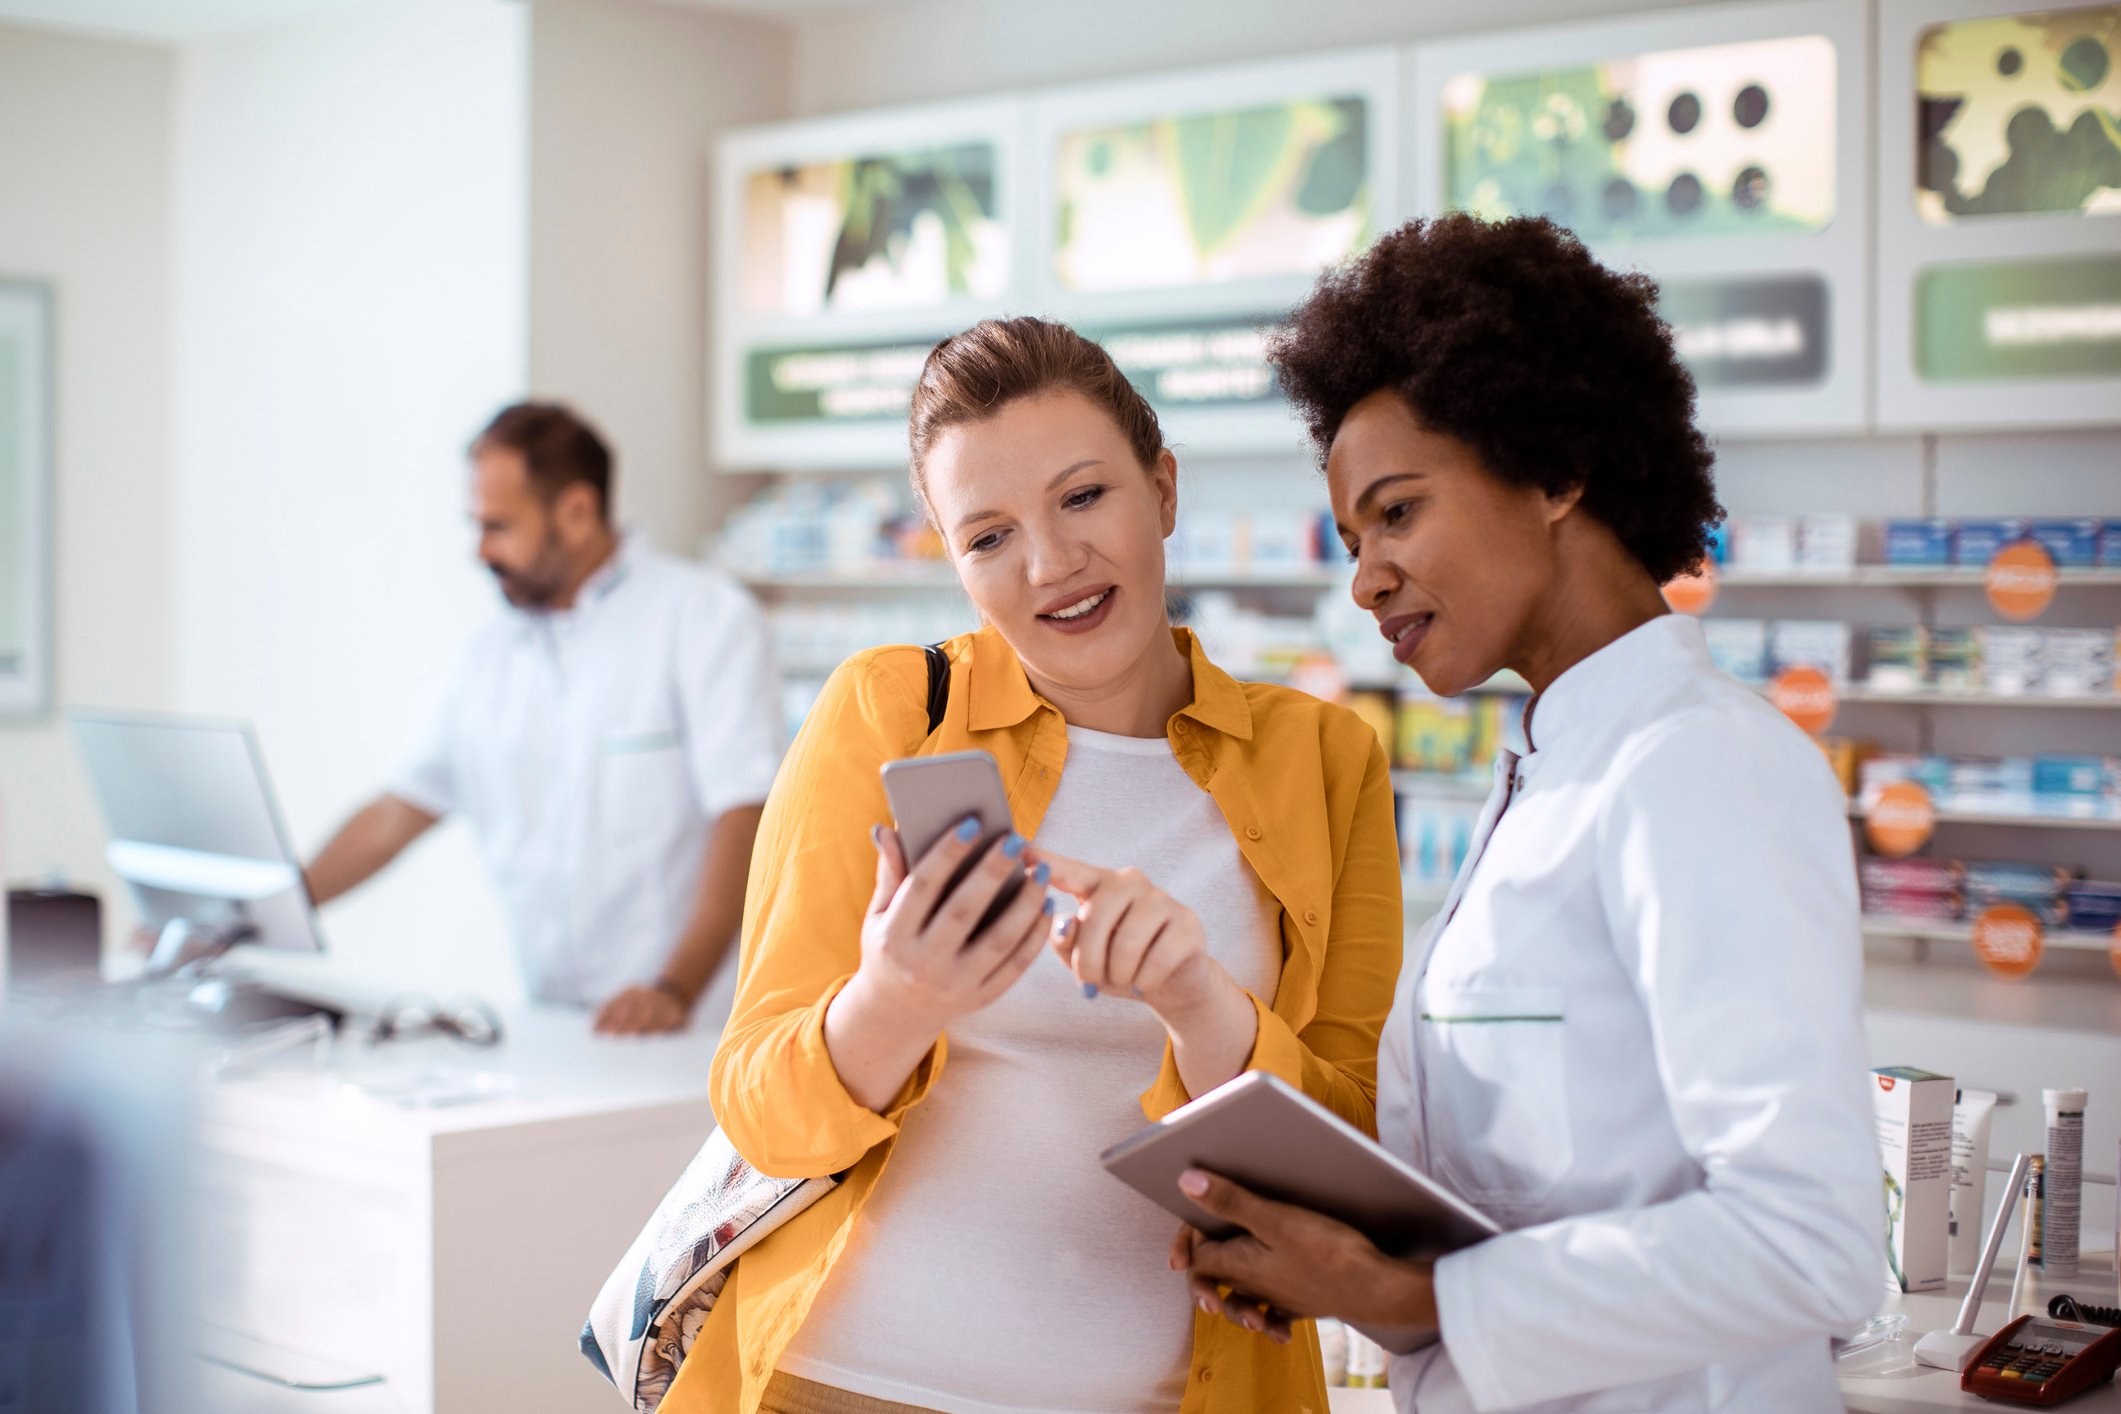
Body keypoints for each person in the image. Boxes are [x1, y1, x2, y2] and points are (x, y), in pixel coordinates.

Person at [1169, 215, 1883, 1411]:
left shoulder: (1701, 765)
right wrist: (1340, 1255)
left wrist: (1422, 1299)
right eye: (1352, 538)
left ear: (1556, 470)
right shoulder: (1554, 772)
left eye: (1397, 514)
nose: (1365, 578)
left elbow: (1811, 1241)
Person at [662, 317, 1403, 1414]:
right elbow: (760, 1111)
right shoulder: (891, 713)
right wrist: (893, 999)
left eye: (1084, 497)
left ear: (1162, 488)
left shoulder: (1325, 758)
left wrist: (1205, 1010)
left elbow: (1354, 1159)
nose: (1051, 566)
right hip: (838, 1386)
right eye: (989, 537)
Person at [304, 402, 781, 1036]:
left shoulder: (703, 618)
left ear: (577, 513)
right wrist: (263, 911)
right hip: (557, 1025)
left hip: (694, 1025)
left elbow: (747, 812)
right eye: (475, 525)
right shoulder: (488, 656)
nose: (480, 551)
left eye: (498, 526)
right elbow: (399, 811)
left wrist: (675, 988)